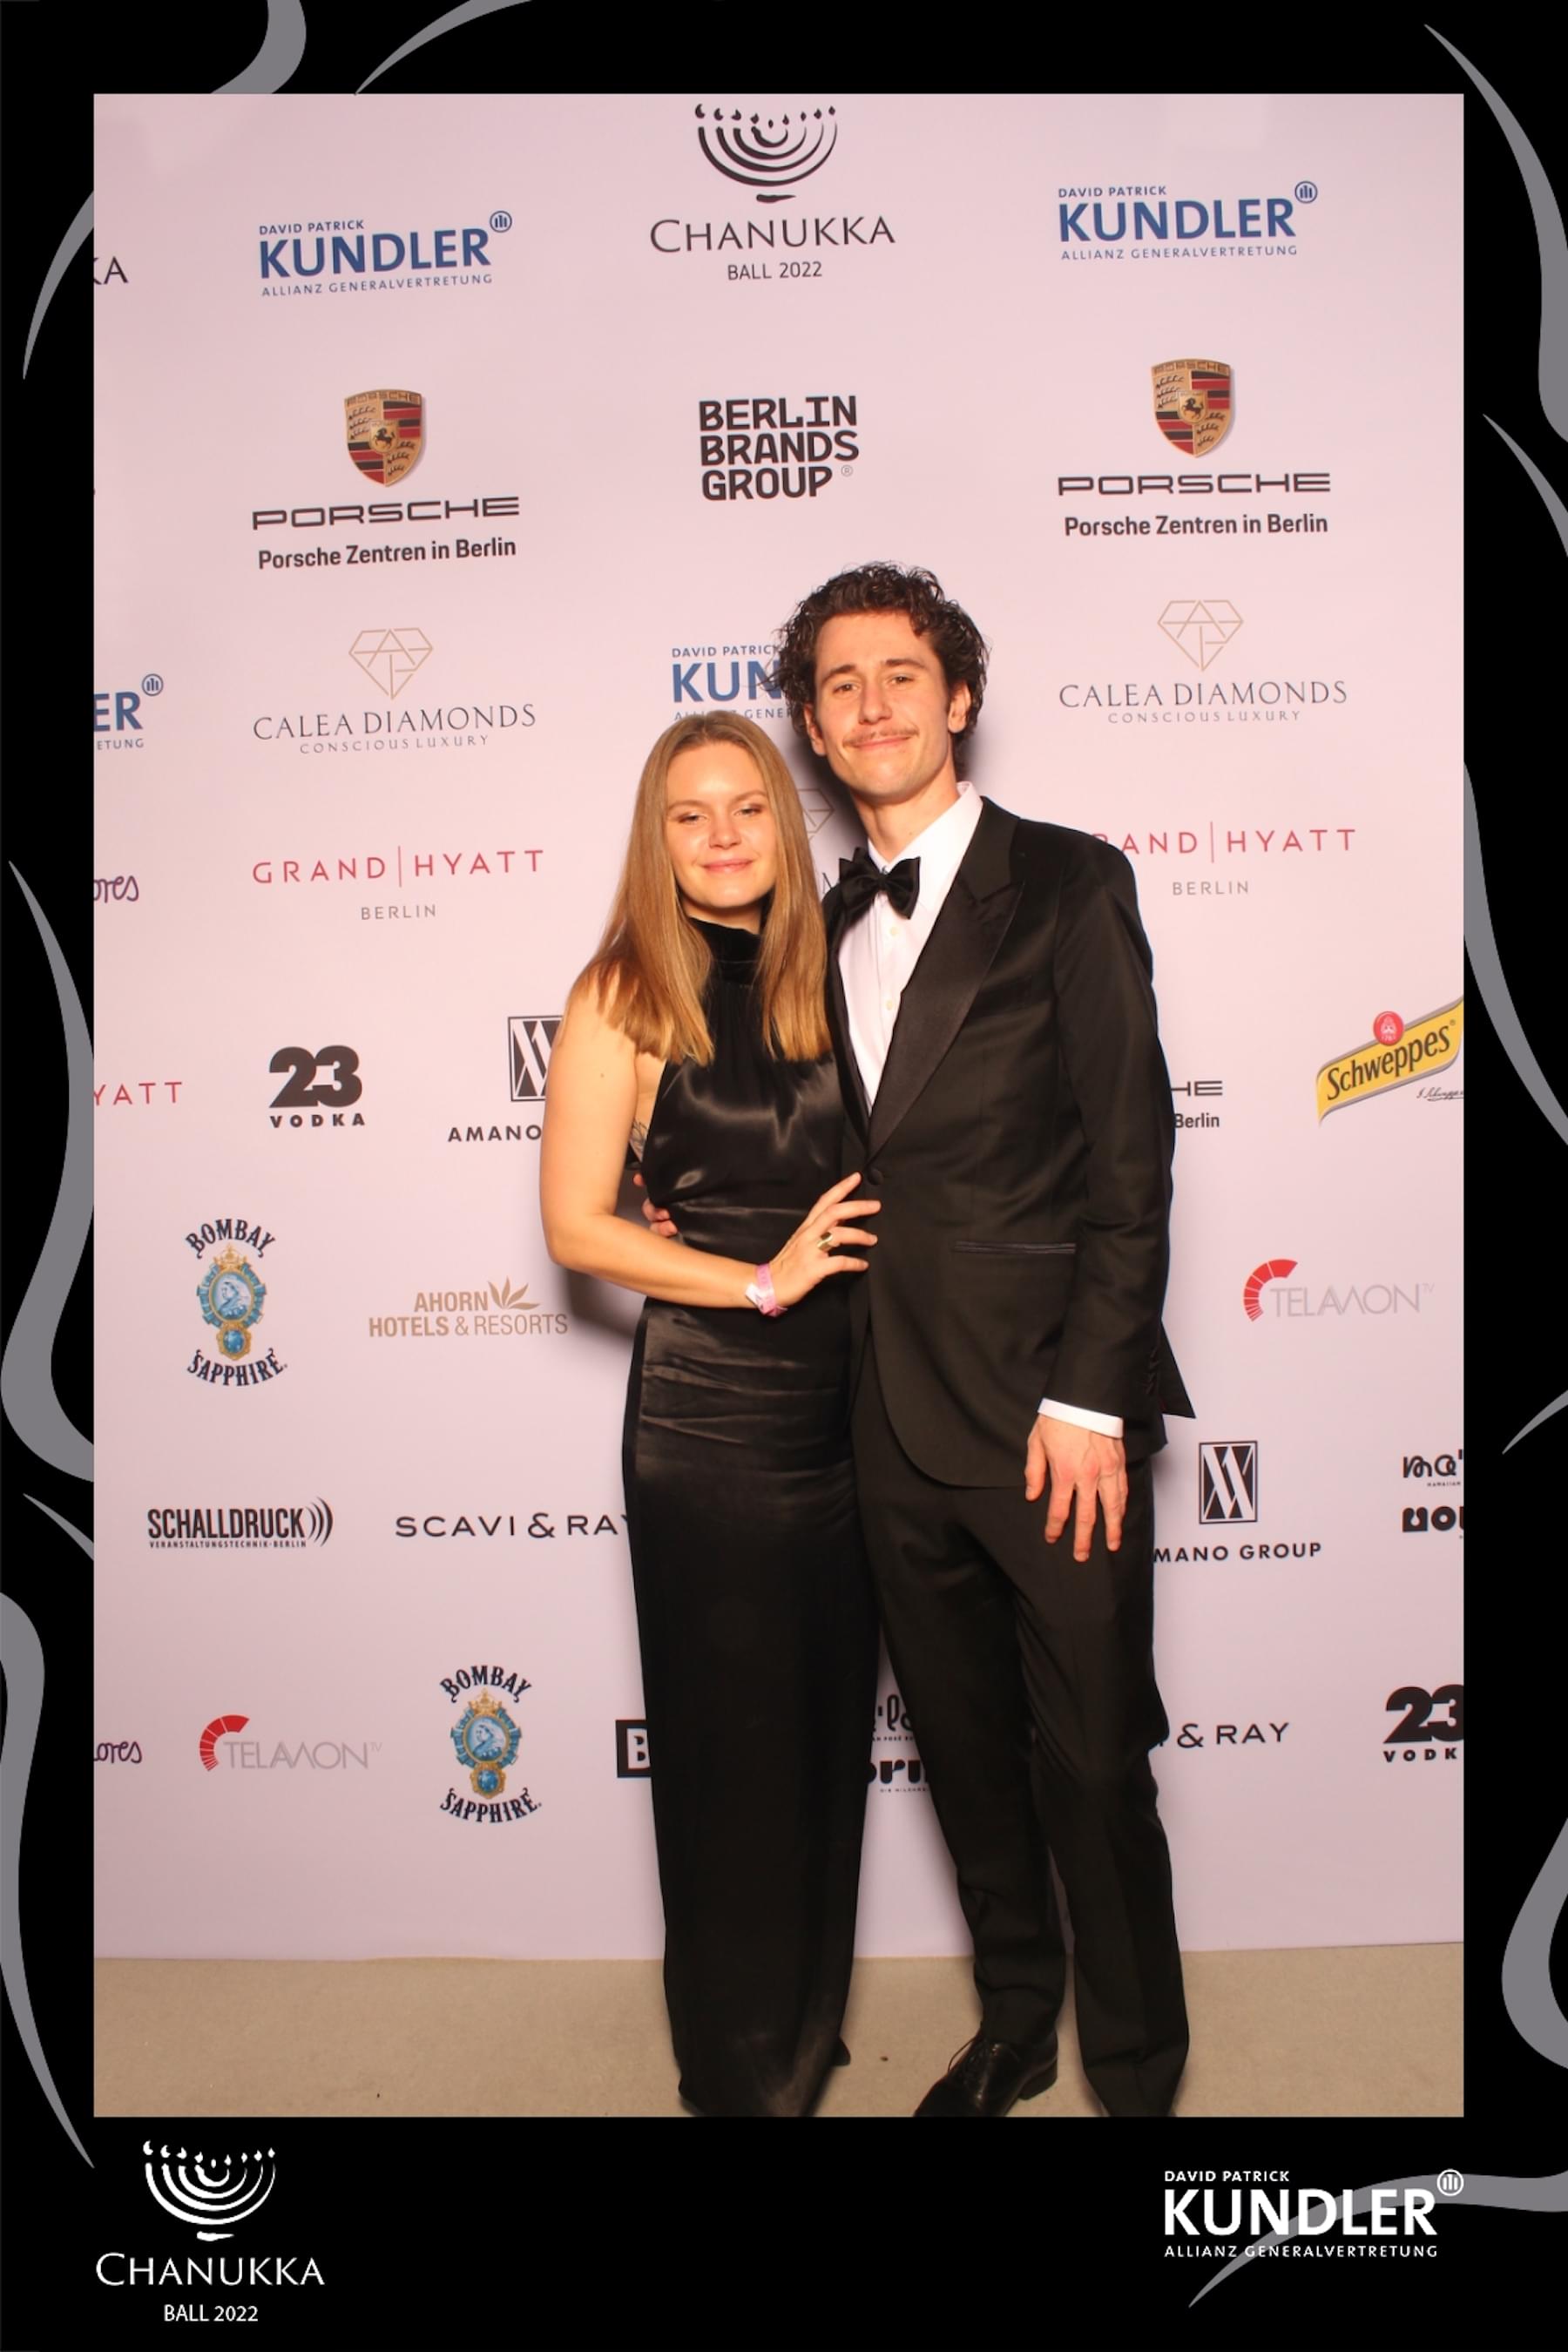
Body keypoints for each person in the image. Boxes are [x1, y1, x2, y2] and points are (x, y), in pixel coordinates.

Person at [776, 561, 1195, 2118]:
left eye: (901, 674)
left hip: (1046, 1417)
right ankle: (1018, 2021)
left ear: (957, 698)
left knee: (1089, 1760)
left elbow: (1133, 1161)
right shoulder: (813, 925)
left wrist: (1089, 1396)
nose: (871, 705)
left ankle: (1139, 2070)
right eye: (839, 684)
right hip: (883, 1415)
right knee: (963, 1751)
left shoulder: (1068, 882)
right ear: (814, 727)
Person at [540, 710, 881, 2118]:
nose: (724, 835)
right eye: (691, 815)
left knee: (827, 1730)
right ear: (658, 838)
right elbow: (577, 1228)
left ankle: (803, 2024)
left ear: (782, 826)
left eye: (747, 807)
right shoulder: (622, 993)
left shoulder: (843, 971)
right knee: (728, 1740)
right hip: (711, 1418)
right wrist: (756, 1279)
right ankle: (742, 2071)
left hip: (860, 1407)